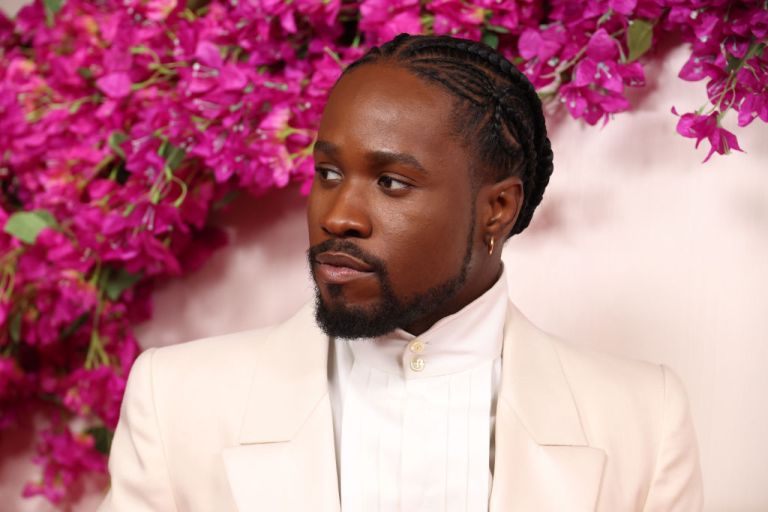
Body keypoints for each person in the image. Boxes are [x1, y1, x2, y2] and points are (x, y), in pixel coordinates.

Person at [99, 34, 703, 512]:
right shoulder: (176, 398)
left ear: (498, 208)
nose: (338, 216)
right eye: (329, 174)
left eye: (391, 183)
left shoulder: (642, 419)